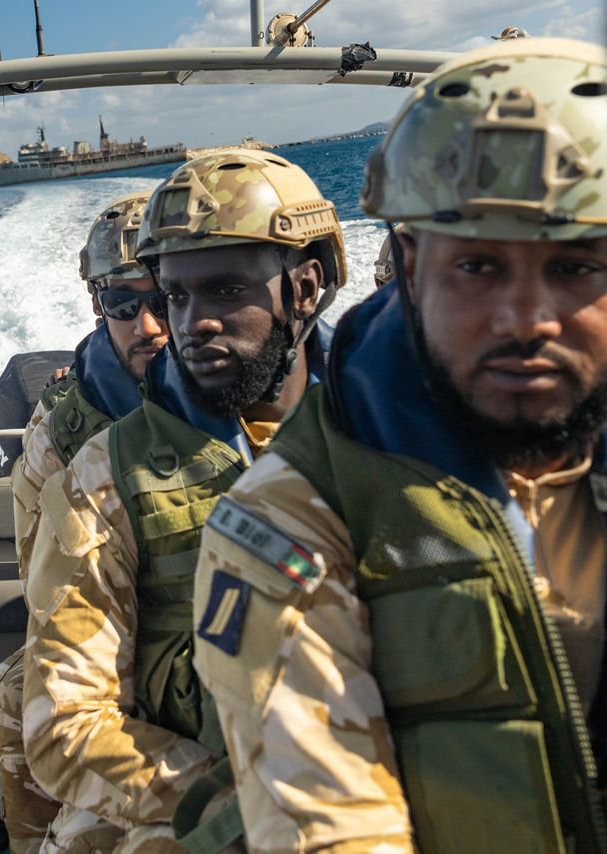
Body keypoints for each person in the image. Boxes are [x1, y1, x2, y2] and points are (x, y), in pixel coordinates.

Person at [191, 38, 607, 854]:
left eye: (576, 267)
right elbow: (331, 828)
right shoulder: (291, 525)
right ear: (409, 265)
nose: (527, 321)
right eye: (479, 266)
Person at [21, 149, 346, 852]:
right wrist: (239, 805)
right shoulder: (106, 474)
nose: (187, 324)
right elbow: (62, 725)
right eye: (176, 295)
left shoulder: (391, 438)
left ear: (307, 287)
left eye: (226, 291)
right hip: (197, 781)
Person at [0, 190, 167, 853]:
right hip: (114, 645)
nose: (148, 325)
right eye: (123, 303)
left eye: (163, 296)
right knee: (21, 688)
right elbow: (50, 600)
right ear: (98, 305)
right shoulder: (62, 432)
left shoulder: (263, 385)